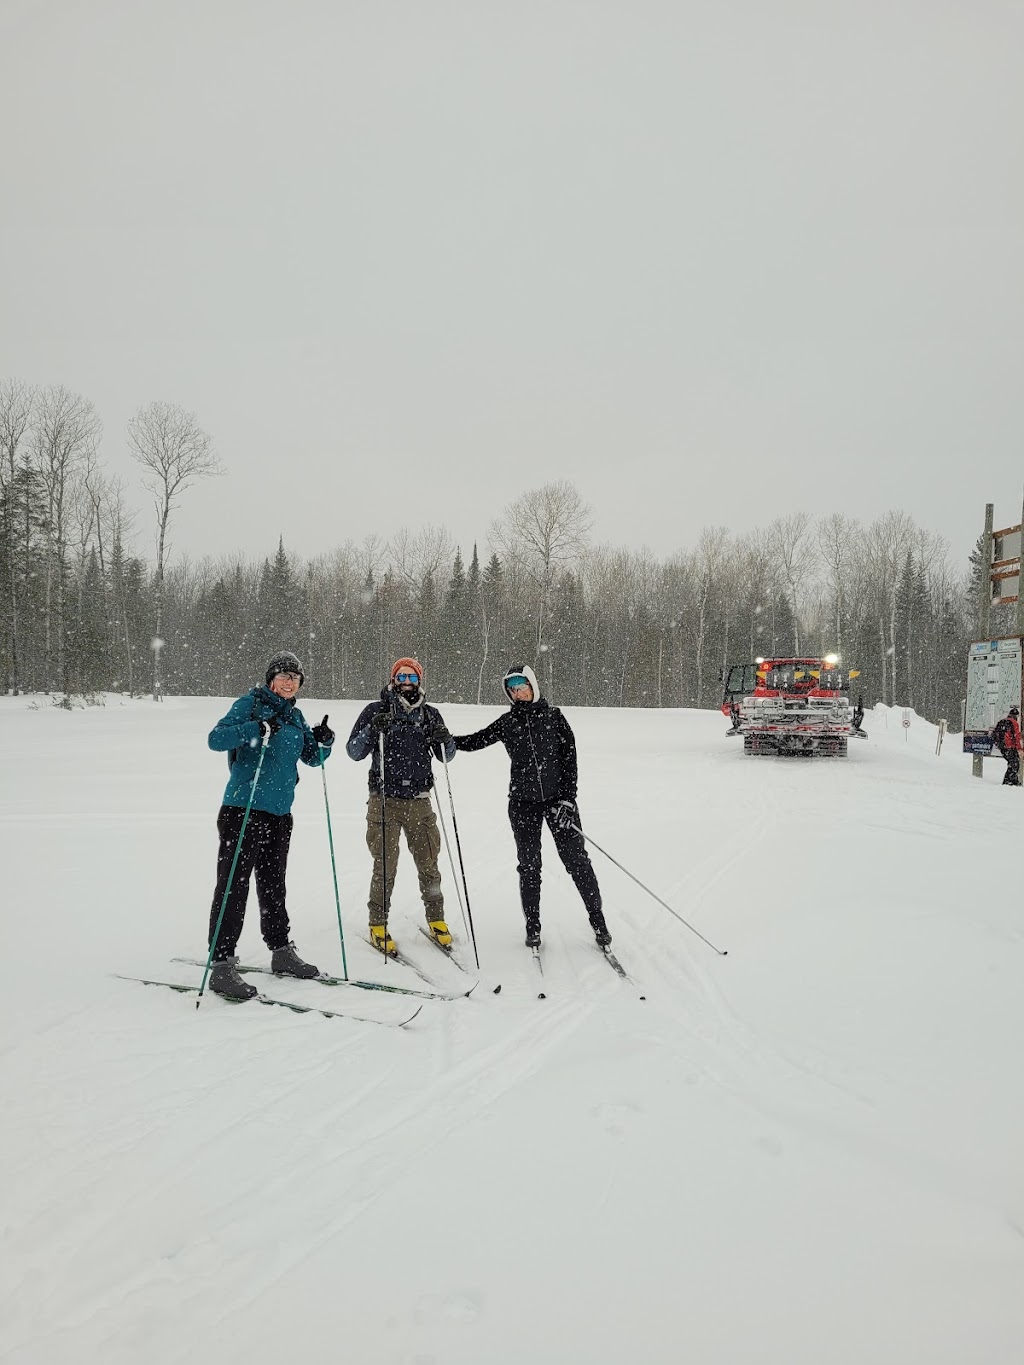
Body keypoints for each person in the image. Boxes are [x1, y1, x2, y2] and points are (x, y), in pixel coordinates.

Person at [452, 663, 611, 950]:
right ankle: (533, 926)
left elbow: (570, 761)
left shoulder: (555, 718)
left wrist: (567, 800)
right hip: (522, 805)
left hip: (557, 803)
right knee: (529, 866)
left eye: (521, 687)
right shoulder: (507, 722)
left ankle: (598, 921)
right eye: (512, 690)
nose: (517, 693)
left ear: (533, 686)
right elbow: (476, 740)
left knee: (577, 862)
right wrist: (446, 742)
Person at [205, 650, 334, 1000]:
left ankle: (280, 951)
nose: (289, 682)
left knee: (274, 884)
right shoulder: (249, 705)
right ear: (270, 679)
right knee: (234, 884)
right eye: (283, 676)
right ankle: (221, 964)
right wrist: (256, 728)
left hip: (279, 813)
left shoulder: (295, 717)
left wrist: (325, 740)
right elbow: (216, 739)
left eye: (295, 677)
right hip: (242, 810)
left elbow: (313, 758)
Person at [346, 657, 457, 955]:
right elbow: (353, 751)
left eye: (412, 677)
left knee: (429, 865)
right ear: (393, 679)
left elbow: (447, 756)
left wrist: (445, 739)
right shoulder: (376, 710)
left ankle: (437, 919)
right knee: (385, 866)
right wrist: (372, 729)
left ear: (419, 681)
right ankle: (378, 923)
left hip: (420, 802)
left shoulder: (430, 715)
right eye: (401, 677)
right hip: (384, 801)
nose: (406, 682)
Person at [992, 705, 1022, 786]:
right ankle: (1010, 781)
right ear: (1016, 716)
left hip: (1003, 747)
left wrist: (999, 745)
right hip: (1010, 747)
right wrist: (1019, 748)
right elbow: (1016, 737)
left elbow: (994, 734)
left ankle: (1009, 780)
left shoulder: (1002, 721)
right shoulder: (1014, 723)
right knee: (1015, 764)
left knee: (1012, 763)